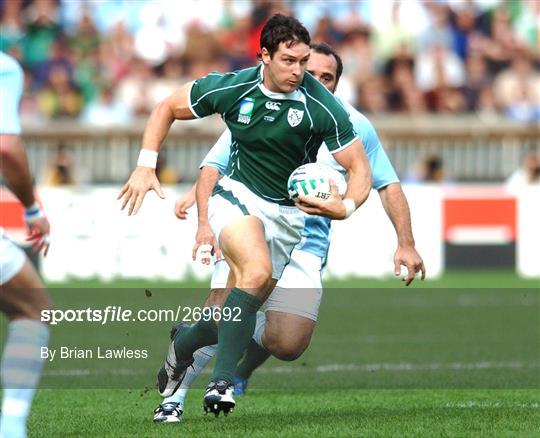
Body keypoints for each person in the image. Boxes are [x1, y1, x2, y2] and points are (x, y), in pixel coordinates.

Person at [152, 43, 425, 423]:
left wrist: (406, 243)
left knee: (288, 342)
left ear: (337, 84)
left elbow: (387, 183)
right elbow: (215, 165)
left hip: (307, 242)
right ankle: (174, 398)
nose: (312, 79)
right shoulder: (269, 104)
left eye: (326, 76)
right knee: (222, 305)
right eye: (307, 69)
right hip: (249, 220)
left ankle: (200, 333)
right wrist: (203, 219)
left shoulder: (354, 125)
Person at [118, 14, 372, 416]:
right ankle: (220, 384)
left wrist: (345, 207)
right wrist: (146, 165)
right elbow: (166, 107)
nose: (299, 71)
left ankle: (183, 344)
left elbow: (360, 170)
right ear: (265, 56)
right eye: (289, 61)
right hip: (235, 198)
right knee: (253, 274)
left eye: (304, 61)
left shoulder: (322, 107)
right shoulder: (234, 87)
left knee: (235, 314)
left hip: (288, 219)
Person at [0, 51, 52, 438]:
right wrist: (31, 208)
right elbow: (5, 147)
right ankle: (11, 425)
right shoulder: (4, 67)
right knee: (32, 309)